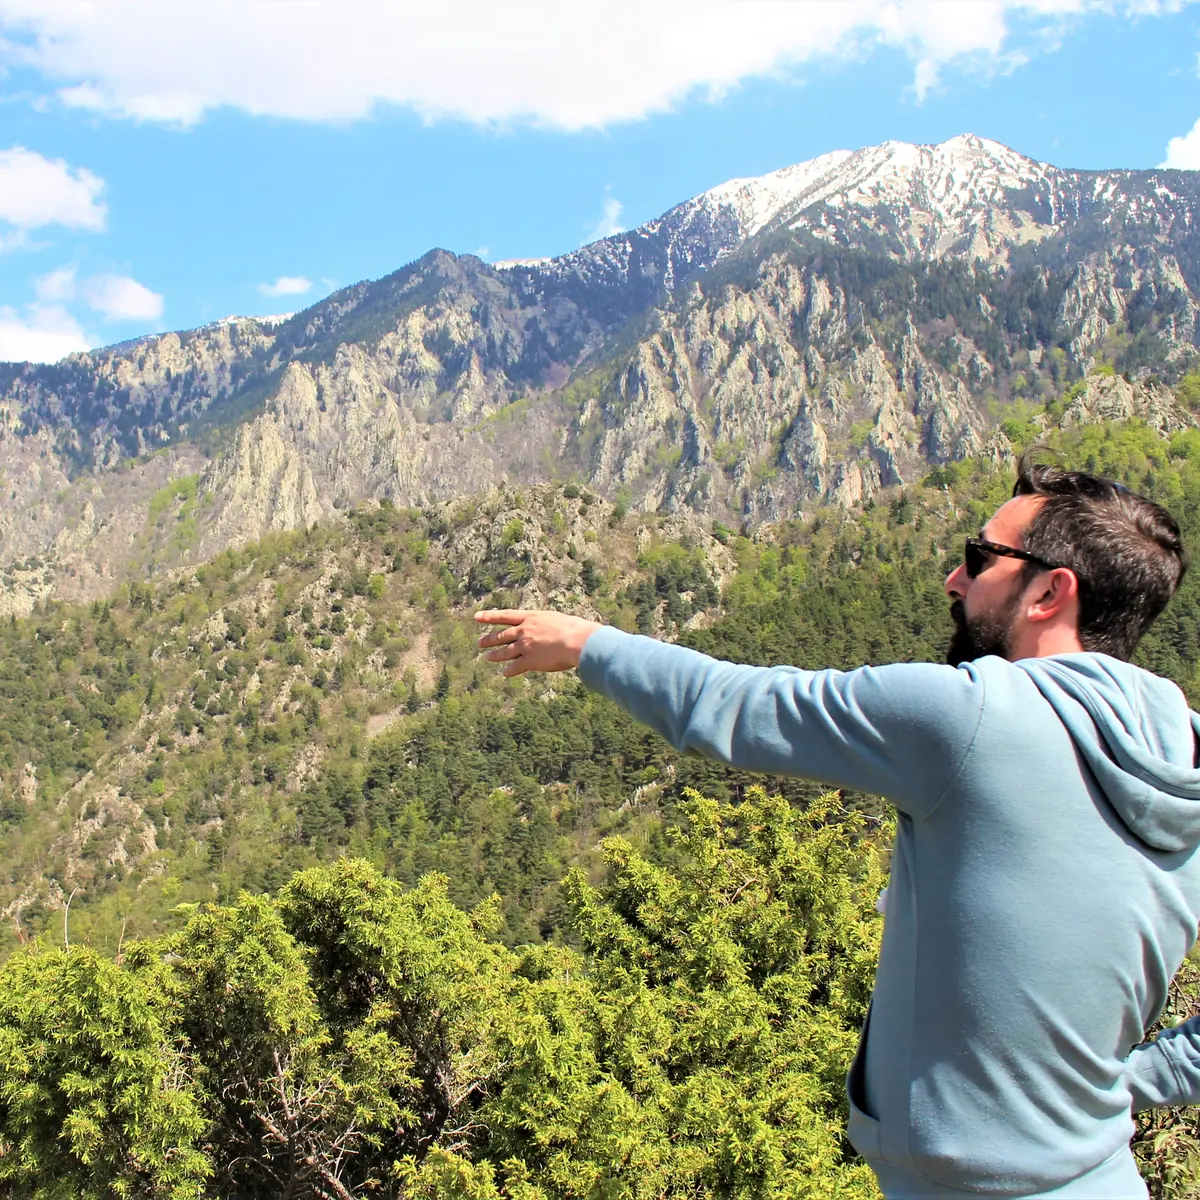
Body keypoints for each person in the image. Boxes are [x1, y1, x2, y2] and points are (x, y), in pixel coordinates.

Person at [475, 454, 1200, 1200]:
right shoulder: (1189, 749)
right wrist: (1120, 1082)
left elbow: (738, 705)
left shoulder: (975, 718)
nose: (954, 580)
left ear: (1051, 590)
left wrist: (588, 644)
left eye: (979, 558)